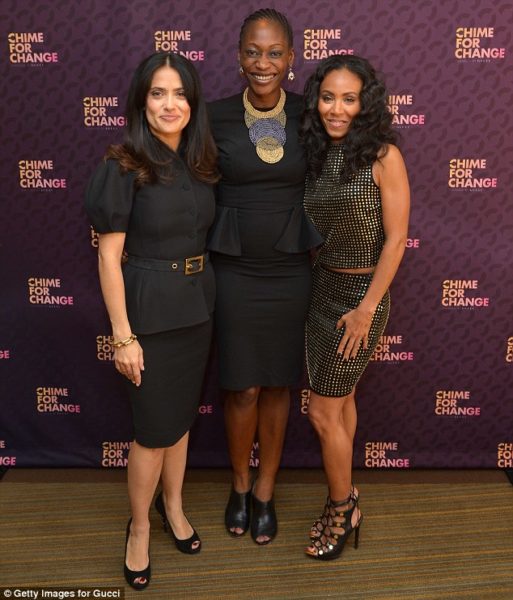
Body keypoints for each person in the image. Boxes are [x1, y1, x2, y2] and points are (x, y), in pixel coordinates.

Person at [84, 52, 218, 589]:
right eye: (158, 93)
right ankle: (139, 527)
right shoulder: (122, 164)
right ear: (142, 101)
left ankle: (174, 506)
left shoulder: (201, 160)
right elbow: (107, 258)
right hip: (148, 312)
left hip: (198, 306)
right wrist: (123, 335)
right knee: (152, 432)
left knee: (180, 421)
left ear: (193, 102)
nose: (170, 104)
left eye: (180, 93)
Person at [207, 8, 322, 545]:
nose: (263, 62)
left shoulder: (310, 115)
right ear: (237, 58)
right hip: (232, 271)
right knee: (241, 388)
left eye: (274, 52)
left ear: (291, 59)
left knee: (278, 384)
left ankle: (266, 491)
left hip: (289, 272)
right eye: (253, 52)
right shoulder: (212, 116)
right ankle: (238, 483)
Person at [300, 55, 410, 560]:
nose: (336, 109)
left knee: (322, 411)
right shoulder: (320, 153)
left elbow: (396, 239)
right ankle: (346, 495)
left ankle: (343, 508)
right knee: (339, 406)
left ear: (366, 102)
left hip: (359, 302)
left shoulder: (383, 155)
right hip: (323, 290)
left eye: (349, 99)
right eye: (328, 97)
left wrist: (367, 308)